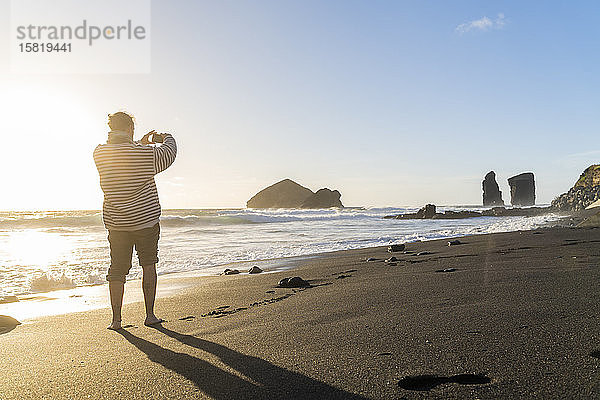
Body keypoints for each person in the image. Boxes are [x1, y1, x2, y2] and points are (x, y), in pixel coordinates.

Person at [93, 111, 177, 330]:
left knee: (117, 269)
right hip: (146, 221)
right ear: (130, 129)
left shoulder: (99, 154)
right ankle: (149, 316)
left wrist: (138, 142)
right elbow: (169, 153)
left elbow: (123, 155)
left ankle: (116, 321)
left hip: (117, 223)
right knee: (148, 265)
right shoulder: (145, 155)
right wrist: (163, 137)